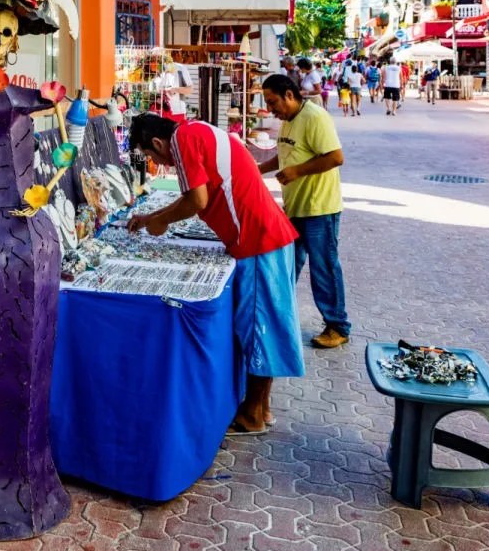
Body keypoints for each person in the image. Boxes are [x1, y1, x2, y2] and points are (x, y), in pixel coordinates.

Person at [127, 114, 304, 434]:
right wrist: (152, 216)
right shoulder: (195, 129)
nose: (157, 163)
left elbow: (197, 200)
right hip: (264, 235)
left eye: (152, 157)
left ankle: (252, 413)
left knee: (259, 328)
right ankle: (260, 409)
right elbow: (195, 194)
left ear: (156, 143)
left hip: (258, 240)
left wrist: (163, 221)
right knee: (262, 325)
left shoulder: (182, 141)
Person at [259, 75, 351, 349]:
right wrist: (256, 169)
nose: (270, 108)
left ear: (289, 95)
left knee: (323, 267)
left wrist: (297, 171)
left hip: (319, 208)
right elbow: (285, 155)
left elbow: (336, 157)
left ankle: (338, 326)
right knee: (288, 264)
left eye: (273, 101)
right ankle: (278, 320)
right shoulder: (288, 121)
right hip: (295, 207)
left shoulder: (314, 117)